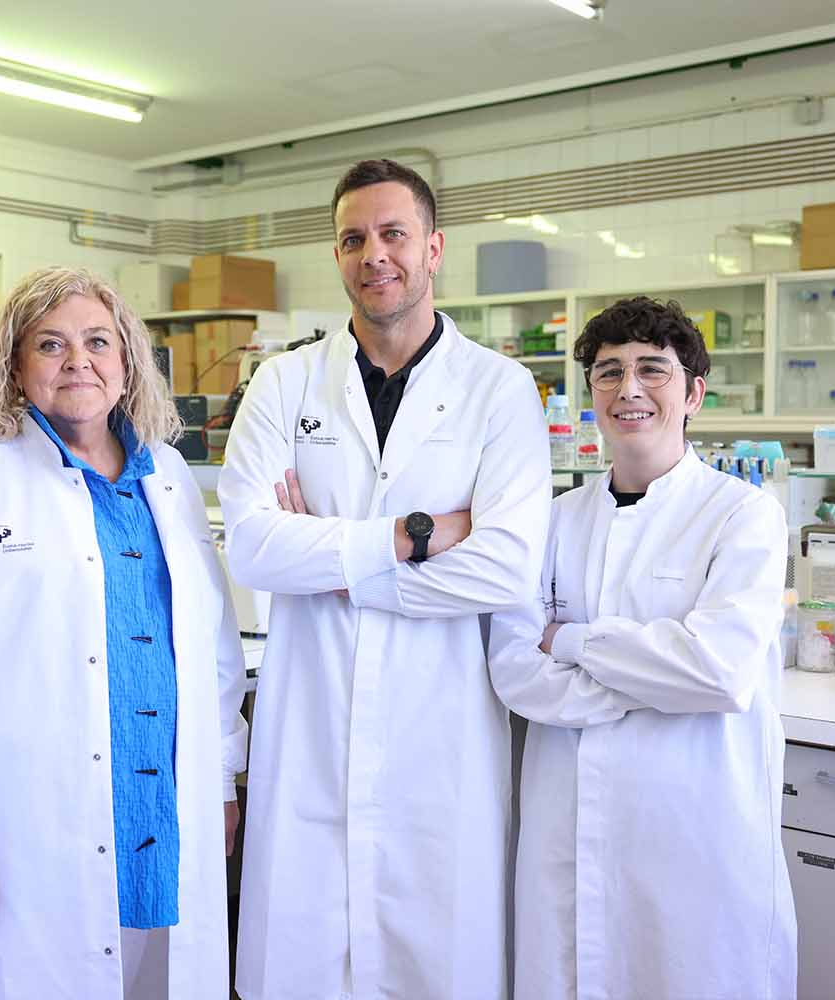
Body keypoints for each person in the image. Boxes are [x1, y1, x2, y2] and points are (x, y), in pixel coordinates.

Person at [219, 158, 552, 999]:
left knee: (437, 960)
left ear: (434, 247)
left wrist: (334, 566)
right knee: (302, 959)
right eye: (353, 238)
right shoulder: (284, 382)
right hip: (312, 727)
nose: (376, 255)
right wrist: (418, 535)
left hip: (437, 736)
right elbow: (254, 550)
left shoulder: (499, 389)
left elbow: (507, 564)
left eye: (394, 233)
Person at [0, 266, 249, 1000]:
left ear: (127, 360)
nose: (79, 361)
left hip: (163, 809)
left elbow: (212, 645)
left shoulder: (167, 477)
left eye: (98, 341)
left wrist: (224, 774)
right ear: (13, 366)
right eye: (51, 344)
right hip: (24, 824)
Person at [489, 296, 797, 999]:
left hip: (692, 833)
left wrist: (569, 639)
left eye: (652, 370)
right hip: (568, 836)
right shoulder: (551, 522)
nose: (628, 389)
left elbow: (716, 672)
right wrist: (654, 676)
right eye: (608, 372)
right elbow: (512, 668)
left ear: (692, 394)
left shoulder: (743, 516)